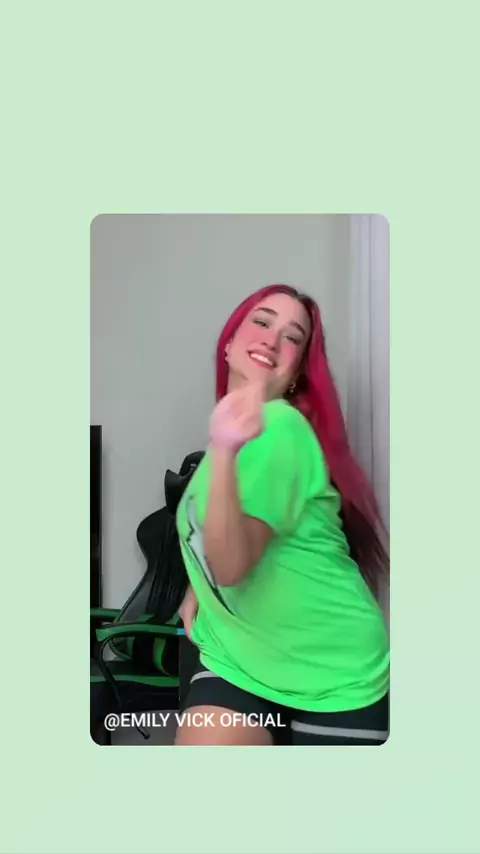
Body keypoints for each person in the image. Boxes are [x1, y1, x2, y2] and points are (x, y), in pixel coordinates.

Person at [174, 284, 389, 746]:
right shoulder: (230, 441)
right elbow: (221, 533)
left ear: (295, 373)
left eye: (292, 337)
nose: (272, 340)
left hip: (331, 675)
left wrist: (225, 449)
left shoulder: (280, 428)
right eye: (262, 321)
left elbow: (230, 567)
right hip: (239, 659)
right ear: (229, 343)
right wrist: (197, 586)